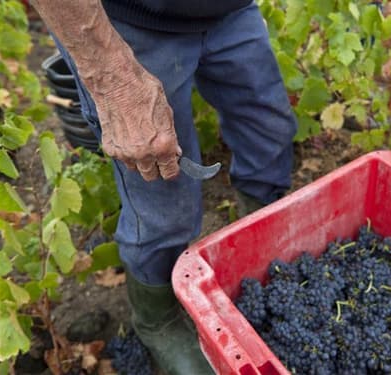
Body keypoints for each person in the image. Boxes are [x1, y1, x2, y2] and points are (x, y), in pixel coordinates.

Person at [29, 1, 298, 374]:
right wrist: (111, 76)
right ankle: (157, 319)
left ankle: (259, 244)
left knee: (270, 135)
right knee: (163, 200)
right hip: (128, 26)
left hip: (231, 10)